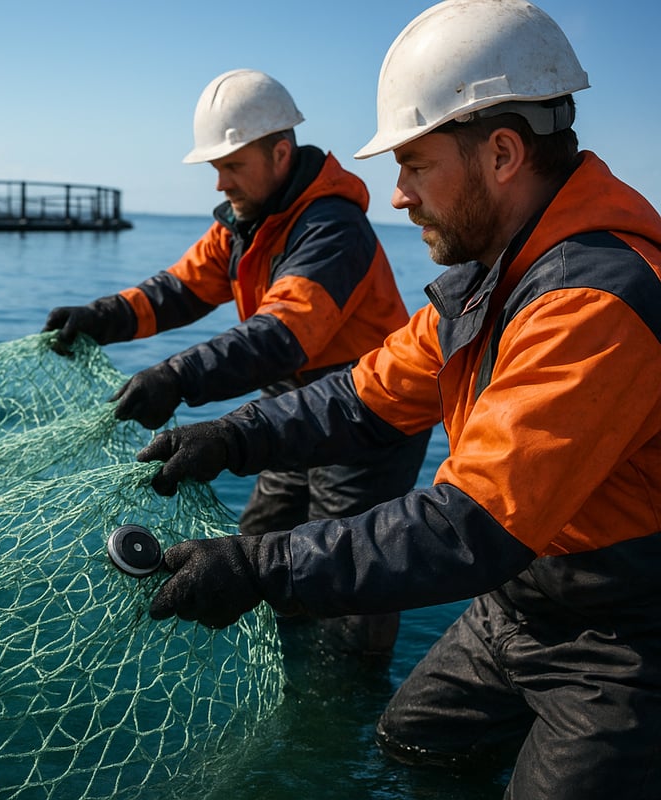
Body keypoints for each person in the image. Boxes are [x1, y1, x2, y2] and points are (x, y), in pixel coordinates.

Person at [138, 1, 661, 796]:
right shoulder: (497, 277)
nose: (398, 197)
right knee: (411, 743)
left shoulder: (594, 303)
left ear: (504, 154)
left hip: (625, 632)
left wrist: (257, 565)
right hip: (518, 606)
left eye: (415, 166)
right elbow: (359, 395)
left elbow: (468, 525)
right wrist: (231, 436)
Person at [43, 68, 430, 655]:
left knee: (347, 573)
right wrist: (101, 315)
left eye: (232, 166)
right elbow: (178, 289)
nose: (220, 183)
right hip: (291, 402)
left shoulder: (332, 227)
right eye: (216, 168)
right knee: (257, 548)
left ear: (280, 152)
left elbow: (281, 334)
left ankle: (346, 697)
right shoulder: (244, 223)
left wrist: (177, 375)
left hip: (364, 414)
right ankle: (272, 663)